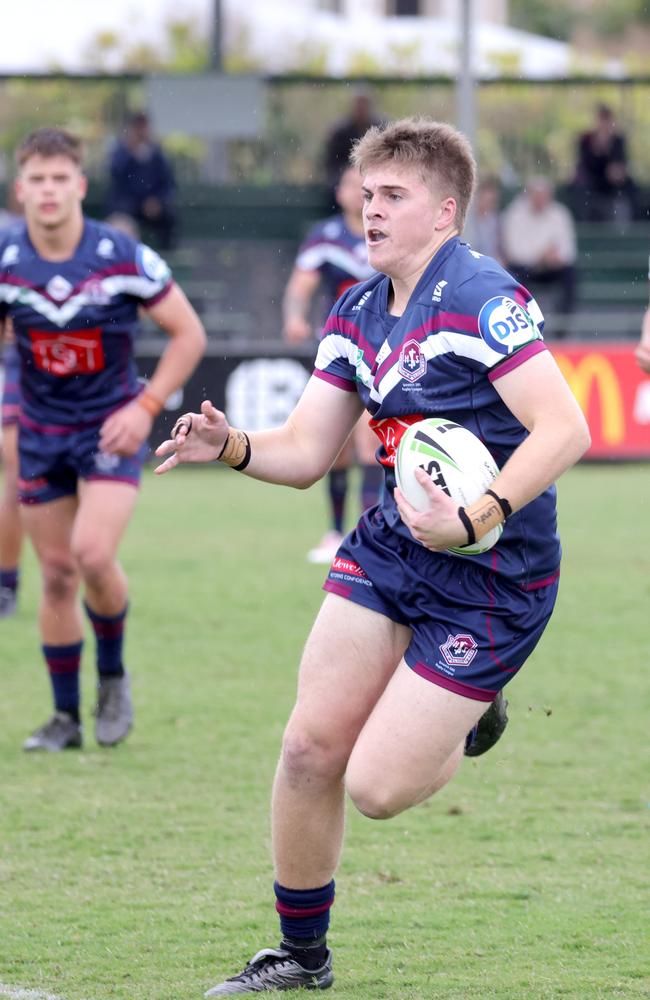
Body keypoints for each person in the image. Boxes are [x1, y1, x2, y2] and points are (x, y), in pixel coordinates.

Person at [155, 118, 590, 995]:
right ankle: (299, 957)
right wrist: (234, 444)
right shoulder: (354, 310)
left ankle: (474, 703)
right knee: (310, 747)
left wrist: (481, 513)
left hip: (493, 578)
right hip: (393, 550)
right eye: (366, 195)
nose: (371, 211)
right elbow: (307, 450)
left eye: (393, 196)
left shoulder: (481, 298)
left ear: (445, 209)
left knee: (378, 787)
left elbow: (566, 427)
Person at [0, 126, 206, 751]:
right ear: (21, 189)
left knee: (92, 555)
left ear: (80, 186)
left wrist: (145, 408)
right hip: (39, 435)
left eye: (60, 179)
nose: (49, 191)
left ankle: (112, 677)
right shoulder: (8, 265)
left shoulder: (121, 255)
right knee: (58, 576)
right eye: (37, 180)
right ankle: (65, 719)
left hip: (110, 430)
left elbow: (188, 334)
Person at [282, 164, 382, 563]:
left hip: (384, 351)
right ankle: (336, 531)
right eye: (351, 186)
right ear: (339, 193)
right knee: (336, 449)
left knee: (369, 439)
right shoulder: (325, 238)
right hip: (339, 352)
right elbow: (299, 285)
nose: (358, 194)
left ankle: (368, 532)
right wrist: (293, 316)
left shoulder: (389, 236)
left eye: (366, 188)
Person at [501, 176, 578, 338]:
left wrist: (552, 257)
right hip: (525, 269)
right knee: (515, 276)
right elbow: (514, 252)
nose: (541, 200)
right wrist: (541, 255)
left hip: (551, 268)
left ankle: (561, 330)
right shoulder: (515, 214)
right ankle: (523, 328)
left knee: (570, 275)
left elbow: (568, 252)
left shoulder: (560, 214)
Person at [107, 111, 177, 249]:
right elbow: (116, 175)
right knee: (121, 222)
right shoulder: (121, 151)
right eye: (137, 128)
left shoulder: (156, 153)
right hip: (127, 205)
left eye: (143, 128)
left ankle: (167, 255)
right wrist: (130, 151)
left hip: (152, 205)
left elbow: (167, 183)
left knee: (169, 219)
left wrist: (157, 200)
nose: (141, 132)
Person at [573, 104, 637, 223]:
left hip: (613, 186)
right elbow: (584, 164)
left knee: (628, 192)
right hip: (591, 184)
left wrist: (617, 172)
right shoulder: (586, 140)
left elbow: (620, 165)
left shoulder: (618, 140)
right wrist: (598, 149)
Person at [0, 322, 24, 618]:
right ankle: (6, 585)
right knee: (18, 483)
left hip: (89, 381)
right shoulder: (14, 276)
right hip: (27, 370)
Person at [322, 91, 381, 191]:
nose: (361, 108)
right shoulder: (339, 132)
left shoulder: (381, 127)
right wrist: (349, 177)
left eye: (364, 104)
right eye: (358, 104)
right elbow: (331, 165)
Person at [472, 175, 504, 262]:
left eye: (490, 201)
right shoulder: (467, 217)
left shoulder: (494, 220)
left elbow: (495, 247)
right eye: (484, 199)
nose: (486, 204)